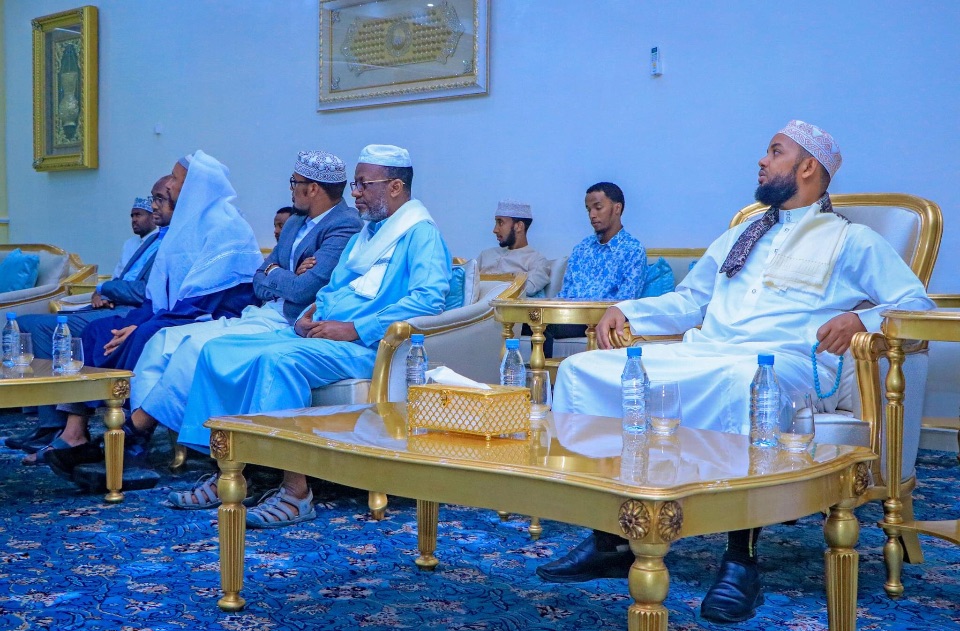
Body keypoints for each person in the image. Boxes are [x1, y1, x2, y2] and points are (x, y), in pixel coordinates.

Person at [538, 121, 935, 623]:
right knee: (584, 370)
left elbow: (916, 305)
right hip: (708, 351)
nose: (762, 161)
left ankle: (740, 559)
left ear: (807, 167)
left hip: (785, 361)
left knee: (745, 385)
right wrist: (629, 310)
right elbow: (691, 300)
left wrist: (862, 320)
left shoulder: (851, 241)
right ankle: (610, 540)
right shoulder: (739, 237)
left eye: (775, 152)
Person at [165, 144, 451, 529]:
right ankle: (227, 471)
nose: (354, 193)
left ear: (395, 186)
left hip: (371, 348)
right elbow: (333, 288)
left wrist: (355, 328)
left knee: (280, 361)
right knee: (219, 349)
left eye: (363, 184)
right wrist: (305, 317)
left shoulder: (421, 234)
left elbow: (429, 300)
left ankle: (296, 493)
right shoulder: (368, 233)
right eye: (355, 184)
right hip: (325, 336)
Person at [122, 150, 362, 460]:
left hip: (291, 320)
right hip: (265, 311)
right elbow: (258, 279)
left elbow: (304, 290)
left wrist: (275, 273)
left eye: (295, 183)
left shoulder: (344, 225)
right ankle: (143, 433)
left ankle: (142, 430)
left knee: (195, 348)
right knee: (162, 340)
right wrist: (281, 274)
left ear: (312, 188)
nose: (291, 189)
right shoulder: (294, 222)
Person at [44, 151, 263, 480]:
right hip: (175, 312)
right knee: (97, 332)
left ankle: (132, 444)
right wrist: (135, 322)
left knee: (147, 336)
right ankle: (75, 432)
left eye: (175, 178)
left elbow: (204, 298)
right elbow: (159, 296)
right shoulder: (181, 227)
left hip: (212, 315)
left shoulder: (227, 226)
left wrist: (140, 327)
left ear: (195, 185)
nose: (170, 184)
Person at [9, 192, 167, 458]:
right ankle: (50, 424)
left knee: (62, 330)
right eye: (133, 214)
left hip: (133, 311)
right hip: (114, 305)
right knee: (26, 323)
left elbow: (145, 292)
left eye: (158, 202)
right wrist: (100, 293)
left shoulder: (171, 242)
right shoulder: (142, 243)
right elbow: (122, 282)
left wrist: (106, 289)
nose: (137, 217)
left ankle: (70, 430)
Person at [544, 182, 647, 357]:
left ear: (617, 208)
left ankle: (542, 373)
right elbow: (565, 293)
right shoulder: (582, 248)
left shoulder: (633, 250)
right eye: (588, 210)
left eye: (598, 208)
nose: (592, 215)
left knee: (542, 328)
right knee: (527, 322)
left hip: (599, 320)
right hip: (568, 317)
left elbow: (626, 301)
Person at [477, 200, 550, 297]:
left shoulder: (536, 260)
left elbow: (528, 289)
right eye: (496, 223)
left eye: (500, 223)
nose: (495, 230)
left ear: (519, 226)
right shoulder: (486, 255)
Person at [113, 197, 159, 278]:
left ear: (153, 217)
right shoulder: (129, 244)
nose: (134, 220)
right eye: (132, 216)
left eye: (138, 215)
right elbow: (117, 275)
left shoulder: (160, 241)